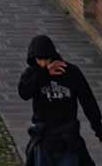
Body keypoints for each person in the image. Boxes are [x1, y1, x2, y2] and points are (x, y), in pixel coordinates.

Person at [19, 34, 102, 164]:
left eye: (46, 59)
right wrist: (44, 74)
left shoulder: (71, 72)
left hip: (68, 138)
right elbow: (24, 93)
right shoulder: (32, 73)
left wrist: (99, 129)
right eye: (39, 60)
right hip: (44, 138)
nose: (43, 63)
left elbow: (88, 101)